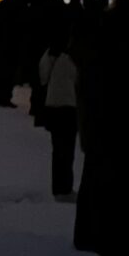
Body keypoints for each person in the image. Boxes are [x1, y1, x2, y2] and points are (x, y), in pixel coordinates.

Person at [38, 18, 80, 199]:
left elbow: (43, 77)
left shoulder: (50, 54)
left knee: (58, 150)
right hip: (69, 106)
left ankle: (58, 187)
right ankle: (65, 188)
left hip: (53, 105)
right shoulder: (74, 57)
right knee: (67, 151)